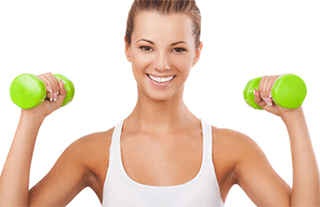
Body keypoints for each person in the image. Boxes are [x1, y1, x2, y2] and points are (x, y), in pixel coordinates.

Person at [0, 0, 319, 206]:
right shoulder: (92, 152)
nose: (163, 64)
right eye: (147, 47)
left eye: (178, 49)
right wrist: (31, 118)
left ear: (197, 52)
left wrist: (294, 117)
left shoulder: (230, 148)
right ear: (128, 49)